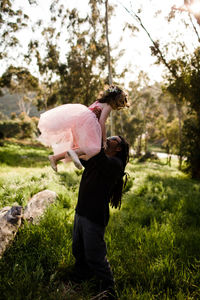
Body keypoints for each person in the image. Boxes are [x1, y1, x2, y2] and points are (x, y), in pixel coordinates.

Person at [71, 135, 129, 299]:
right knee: (78, 248)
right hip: (81, 211)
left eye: (113, 139)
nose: (108, 138)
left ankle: (109, 290)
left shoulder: (115, 164)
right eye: (108, 136)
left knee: (95, 255)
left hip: (94, 215)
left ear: (118, 148)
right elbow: (83, 156)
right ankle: (81, 276)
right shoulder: (98, 160)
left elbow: (98, 154)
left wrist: (100, 123)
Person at [37, 85, 129, 171]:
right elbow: (102, 122)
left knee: (80, 148)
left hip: (79, 121)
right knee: (95, 148)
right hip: (88, 123)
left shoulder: (99, 102)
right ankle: (74, 155)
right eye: (120, 104)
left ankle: (55, 158)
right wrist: (104, 140)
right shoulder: (108, 106)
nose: (118, 107)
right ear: (115, 100)